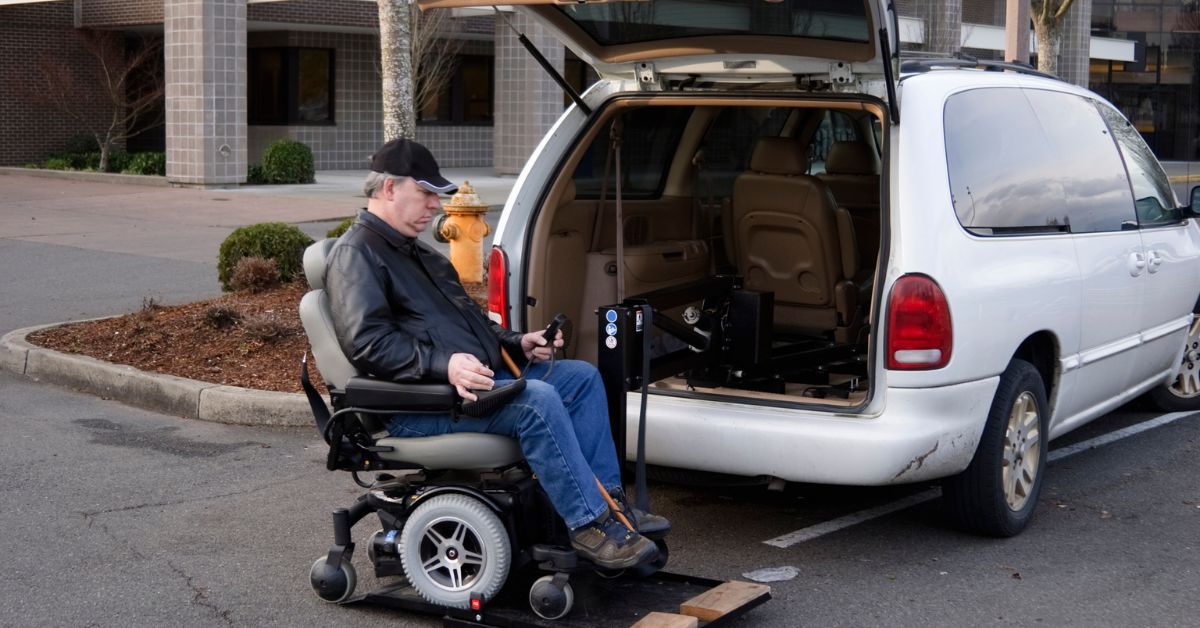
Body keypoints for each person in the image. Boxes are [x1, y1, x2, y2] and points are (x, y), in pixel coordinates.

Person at [324, 138, 667, 570]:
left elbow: (471, 322)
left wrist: (516, 342)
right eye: (426, 193)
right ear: (389, 189)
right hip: (419, 403)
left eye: (437, 195)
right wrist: (443, 365)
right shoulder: (356, 255)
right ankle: (589, 525)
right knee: (537, 402)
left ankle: (613, 506)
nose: (436, 205)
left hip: (469, 388)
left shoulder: (420, 256)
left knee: (580, 377)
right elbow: (369, 343)